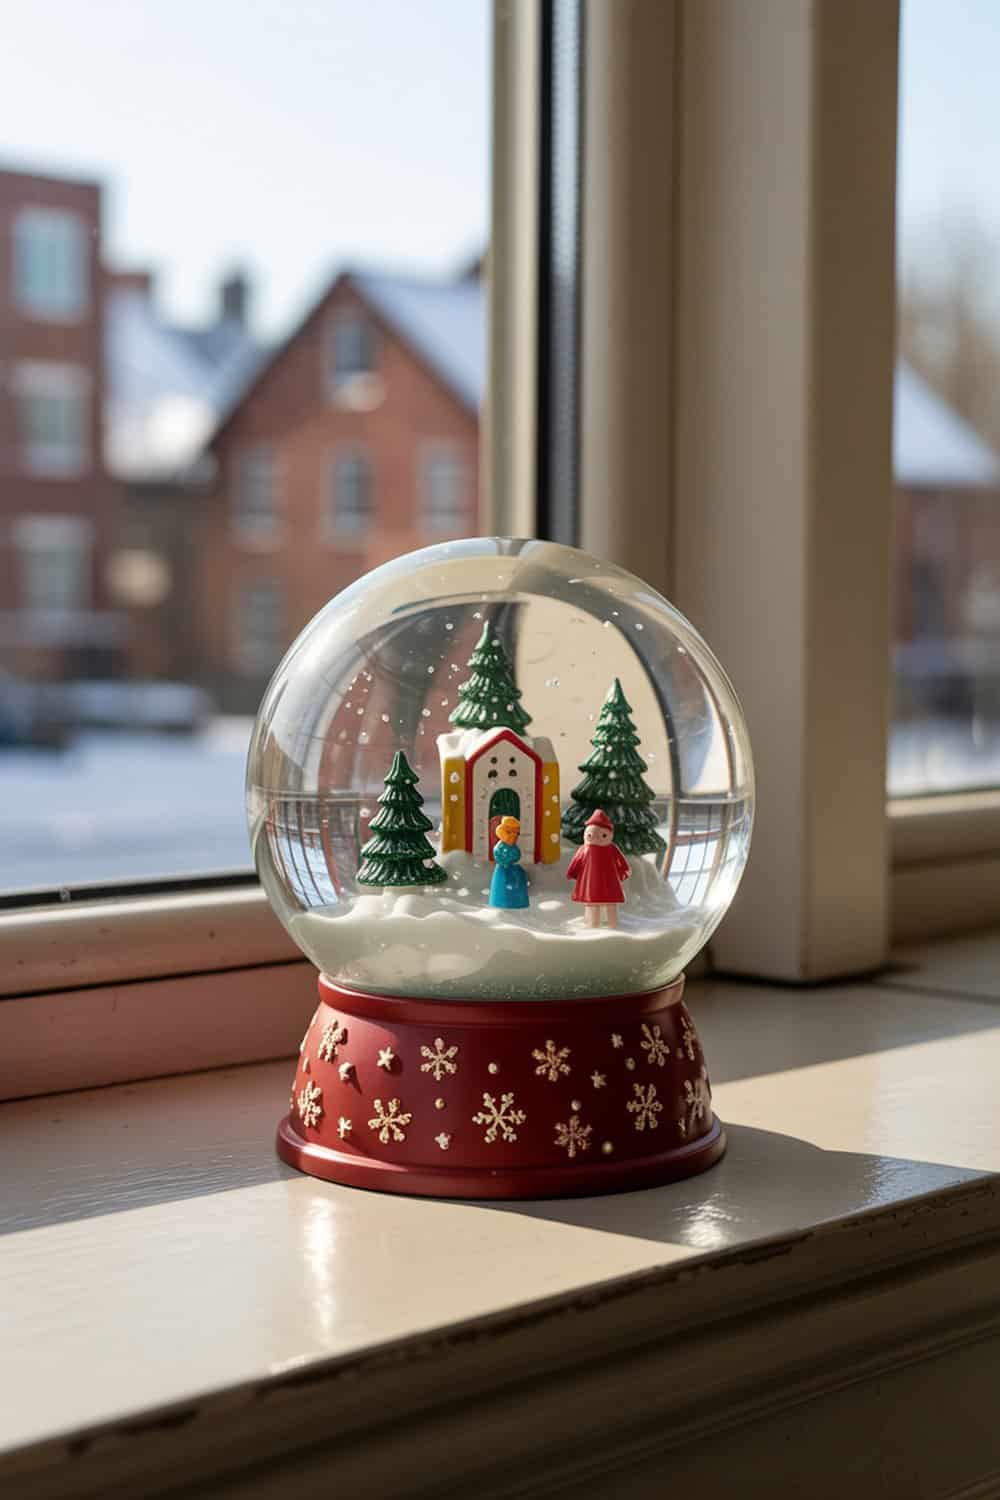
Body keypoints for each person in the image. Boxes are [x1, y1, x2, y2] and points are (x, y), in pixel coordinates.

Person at [565, 808, 630, 928]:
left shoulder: (611, 848)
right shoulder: (585, 848)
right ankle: (593, 925)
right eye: (590, 835)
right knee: (593, 904)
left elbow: (621, 861)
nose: (596, 838)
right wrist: (571, 872)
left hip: (608, 883)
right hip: (591, 884)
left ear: (609, 834)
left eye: (603, 835)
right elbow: (576, 862)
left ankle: (611, 924)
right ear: (586, 834)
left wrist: (625, 869)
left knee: (607, 904)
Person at [489, 815, 530, 910]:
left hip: (512, 868)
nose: (515, 835)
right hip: (504, 869)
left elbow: (516, 855)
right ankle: (504, 902)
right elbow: (500, 856)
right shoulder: (501, 847)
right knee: (505, 886)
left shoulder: (511, 845)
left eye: (516, 833)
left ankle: (517, 902)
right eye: (511, 832)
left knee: (518, 880)